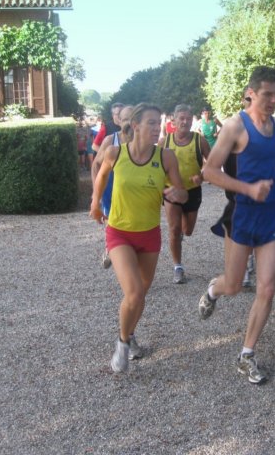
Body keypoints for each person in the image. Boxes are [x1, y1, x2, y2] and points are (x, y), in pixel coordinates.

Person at [198, 66, 275, 385]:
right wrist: (248, 188)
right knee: (233, 286)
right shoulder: (235, 126)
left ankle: (247, 354)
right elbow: (210, 172)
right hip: (242, 214)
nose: (273, 100)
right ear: (251, 93)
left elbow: (272, 162)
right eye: (267, 94)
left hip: (271, 215)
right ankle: (213, 291)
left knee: (267, 286)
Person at [90, 103, 188, 373]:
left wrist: (178, 195)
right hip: (119, 232)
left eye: (159, 123)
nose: (157, 128)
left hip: (149, 235)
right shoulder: (115, 152)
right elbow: (101, 175)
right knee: (133, 292)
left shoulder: (166, 157)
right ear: (135, 126)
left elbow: (182, 192)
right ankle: (122, 343)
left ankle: (130, 333)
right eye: (151, 123)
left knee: (140, 295)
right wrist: (96, 203)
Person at [159, 104, 211, 284]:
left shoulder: (199, 141)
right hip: (171, 191)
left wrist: (202, 176)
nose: (185, 122)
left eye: (188, 118)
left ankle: (181, 231)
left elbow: (212, 163)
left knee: (187, 231)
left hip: (192, 191)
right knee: (174, 229)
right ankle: (178, 267)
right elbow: (156, 166)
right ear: (173, 121)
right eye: (181, 118)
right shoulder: (164, 142)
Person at [210, 87, 255, 288]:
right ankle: (240, 267)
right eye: (248, 99)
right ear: (243, 99)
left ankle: (247, 258)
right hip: (239, 192)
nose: (252, 103)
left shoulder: (270, 126)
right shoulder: (233, 126)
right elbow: (216, 165)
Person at [92, 105, 134, 269]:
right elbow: (96, 164)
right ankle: (111, 249)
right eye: (125, 119)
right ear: (118, 121)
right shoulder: (110, 140)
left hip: (133, 193)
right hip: (111, 190)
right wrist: (96, 192)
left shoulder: (142, 142)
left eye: (132, 118)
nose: (128, 123)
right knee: (112, 223)